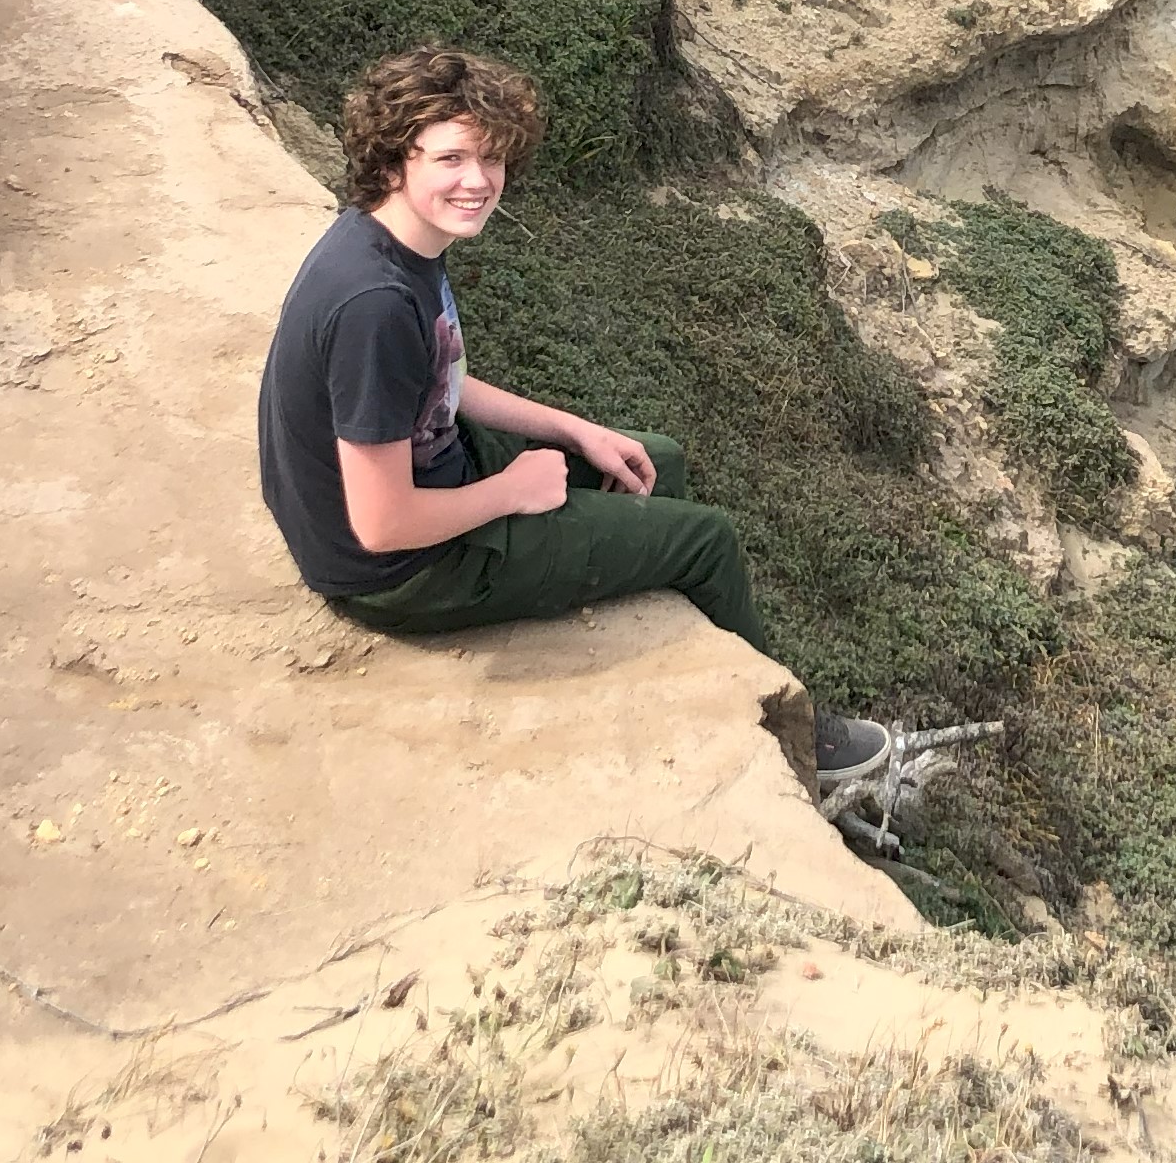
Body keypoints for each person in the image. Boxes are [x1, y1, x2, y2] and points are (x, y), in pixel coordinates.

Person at [256, 42, 887, 779]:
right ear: (396, 159)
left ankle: (673, 646)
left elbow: (442, 382)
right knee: (707, 541)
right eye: (452, 159)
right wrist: (511, 492)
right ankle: (805, 742)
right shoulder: (374, 305)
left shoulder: (386, 240)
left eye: (491, 160)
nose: (479, 181)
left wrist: (575, 429)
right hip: (398, 572)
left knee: (656, 460)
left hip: (431, 479)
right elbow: (381, 522)